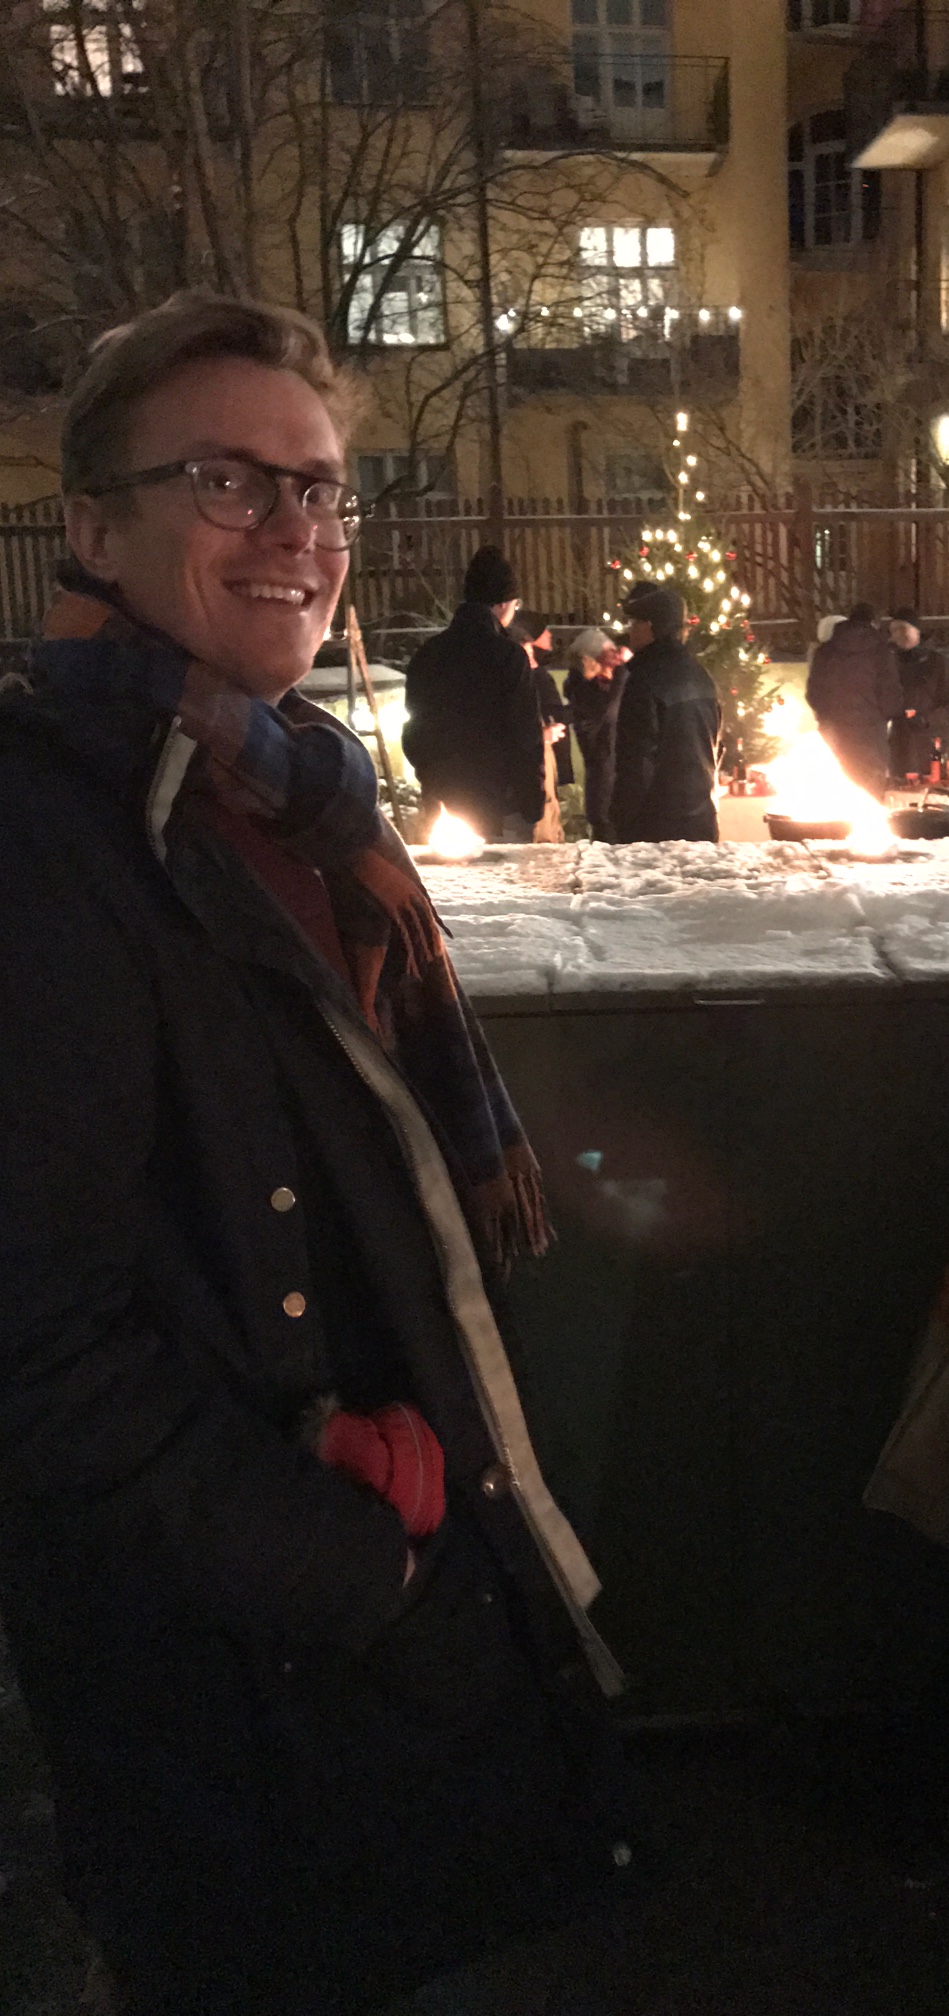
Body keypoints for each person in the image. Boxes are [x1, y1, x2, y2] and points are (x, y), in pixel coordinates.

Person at [0, 292, 629, 2016]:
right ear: (93, 527)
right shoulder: (52, 839)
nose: (295, 529)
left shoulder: (282, 791)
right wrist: (362, 1576)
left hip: (345, 1603)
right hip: (239, 1670)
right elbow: (38, 1352)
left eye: (323, 488)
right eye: (226, 479)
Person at [402, 545, 543, 841]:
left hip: (443, 798)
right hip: (500, 802)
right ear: (503, 603)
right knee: (504, 869)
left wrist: (430, 775)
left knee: (452, 871)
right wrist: (531, 800)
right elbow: (524, 733)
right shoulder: (508, 656)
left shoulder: (429, 654)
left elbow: (415, 729)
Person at [607, 584, 721, 843]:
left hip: (656, 824)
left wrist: (621, 819)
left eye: (634, 623)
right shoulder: (701, 675)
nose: (630, 631)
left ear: (649, 626)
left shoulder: (644, 679)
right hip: (701, 817)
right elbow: (715, 746)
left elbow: (637, 760)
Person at [805, 600, 904, 799]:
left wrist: (827, 716)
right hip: (870, 735)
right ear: (874, 623)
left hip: (834, 733)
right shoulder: (881, 652)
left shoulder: (825, 652)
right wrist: (886, 715)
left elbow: (814, 693)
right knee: (870, 793)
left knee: (835, 792)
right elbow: (890, 695)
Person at [888, 606, 949, 781]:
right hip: (900, 749)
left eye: (902, 629)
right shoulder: (889, 664)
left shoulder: (941, 665)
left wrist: (927, 720)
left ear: (917, 631)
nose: (897, 635)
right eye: (894, 630)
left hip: (934, 748)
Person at [564, 624, 628, 839]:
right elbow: (608, 712)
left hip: (616, 784)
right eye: (609, 651)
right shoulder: (584, 690)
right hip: (604, 788)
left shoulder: (604, 685)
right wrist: (623, 670)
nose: (617, 654)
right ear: (594, 658)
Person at [516, 609, 570, 844]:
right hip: (533, 775)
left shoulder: (538, 675)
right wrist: (542, 735)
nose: (549, 634)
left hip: (547, 766)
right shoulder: (522, 682)